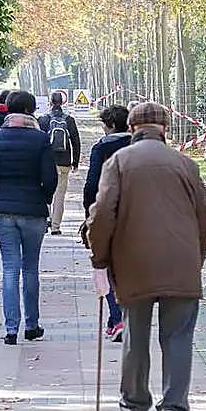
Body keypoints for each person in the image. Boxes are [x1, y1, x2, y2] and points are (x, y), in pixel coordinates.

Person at [87, 101, 206, 411]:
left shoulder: (119, 162)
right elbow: (205, 219)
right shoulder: (187, 165)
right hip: (182, 265)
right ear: (165, 129)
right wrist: (193, 259)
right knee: (178, 339)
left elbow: (102, 216)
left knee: (135, 336)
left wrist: (100, 259)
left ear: (132, 129)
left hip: (133, 265)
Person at [0, 90, 58, 345]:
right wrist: (42, 196)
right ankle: (32, 325)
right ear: (32, 110)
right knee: (30, 268)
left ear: (7, 108)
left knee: (10, 268)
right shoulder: (41, 139)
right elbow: (51, 179)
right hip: (33, 211)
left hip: (1, 211)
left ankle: (11, 329)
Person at [83, 105, 132, 342]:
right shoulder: (138, 146)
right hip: (136, 213)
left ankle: (118, 318)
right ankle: (119, 320)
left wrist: (89, 215)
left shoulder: (102, 147)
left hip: (109, 213)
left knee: (108, 268)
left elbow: (92, 184)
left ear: (110, 125)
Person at [38, 91, 81, 235]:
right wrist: (75, 161)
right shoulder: (69, 119)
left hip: (46, 162)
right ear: (62, 103)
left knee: (44, 191)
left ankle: (44, 222)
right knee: (60, 194)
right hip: (64, 162)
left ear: (50, 103)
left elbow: (38, 142)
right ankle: (55, 226)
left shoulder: (43, 119)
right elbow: (75, 141)